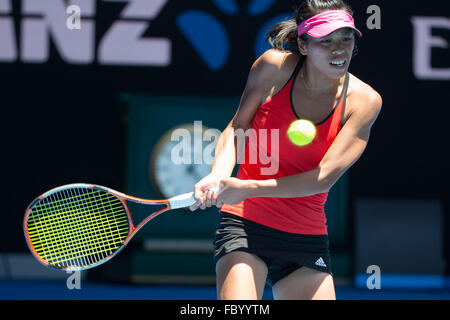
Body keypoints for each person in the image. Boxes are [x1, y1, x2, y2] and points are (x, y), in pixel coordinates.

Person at [190, 0, 382, 300]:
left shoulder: (364, 101)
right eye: (326, 41)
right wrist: (217, 174)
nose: (339, 50)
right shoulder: (272, 67)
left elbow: (322, 178)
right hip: (245, 225)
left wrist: (245, 187)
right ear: (303, 45)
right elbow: (237, 127)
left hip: (306, 237)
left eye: (346, 38)